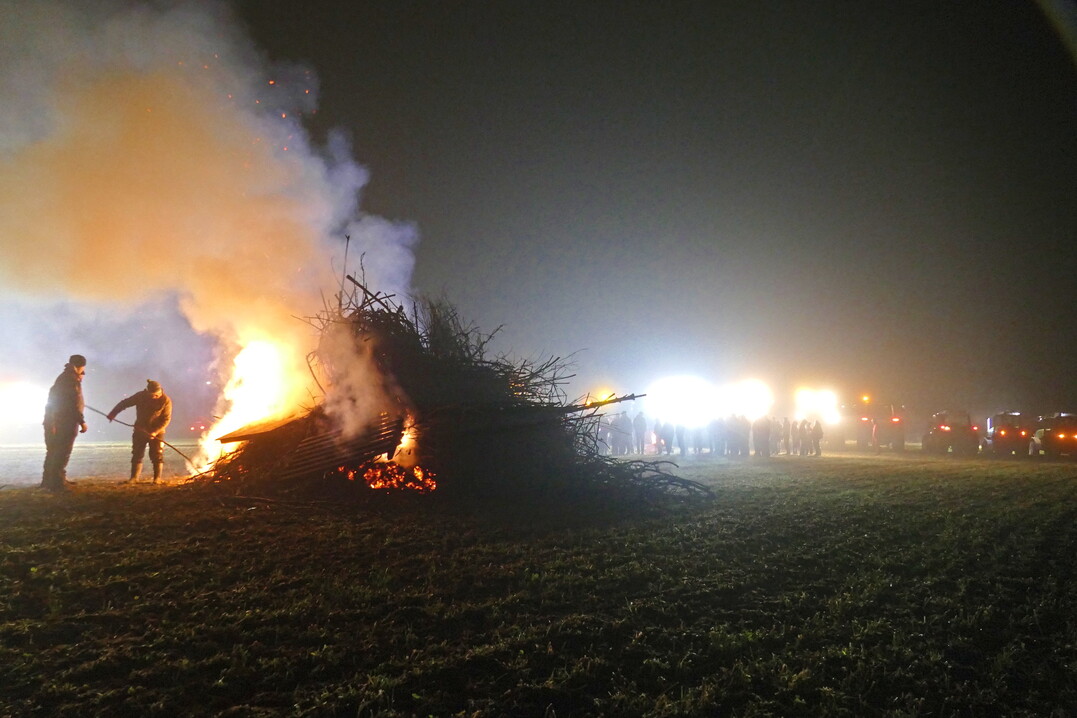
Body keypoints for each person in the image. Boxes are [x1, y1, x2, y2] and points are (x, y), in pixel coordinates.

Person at [107, 379, 173, 482]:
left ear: (160, 391)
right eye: (153, 395)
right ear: (147, 392)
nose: (155, 397)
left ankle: (157, 479)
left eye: (157, 395)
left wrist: (155, 432)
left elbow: (166, 419)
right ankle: (134, 478)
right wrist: (113, 414)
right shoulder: (140, 396)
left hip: (157, 432)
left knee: (157, 454)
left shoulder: (165, 400)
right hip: (140, 429)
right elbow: (125, 403)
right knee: (137, 453)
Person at [41, 354, 88, 492]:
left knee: (53, 450)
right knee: (62, 451)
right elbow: (73, 404)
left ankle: (49, 481)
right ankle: (57, 483)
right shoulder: (71, 380)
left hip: (54, 420)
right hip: (65, 421)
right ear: (77, 366)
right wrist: (82, 421)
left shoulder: (63, 378)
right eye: (82, 369)